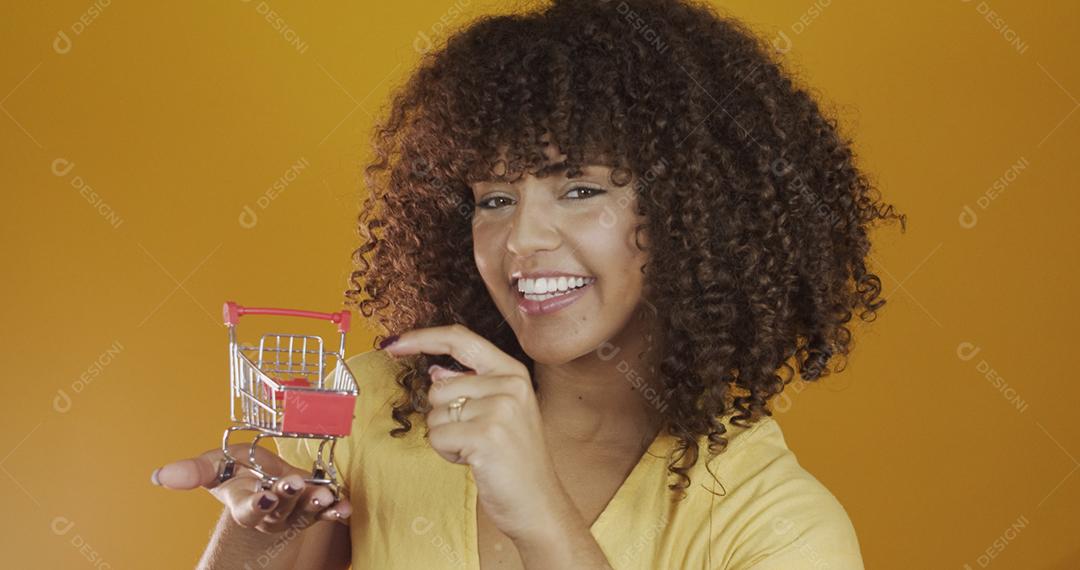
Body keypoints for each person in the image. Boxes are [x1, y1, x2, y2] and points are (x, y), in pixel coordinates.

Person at [150, 0, 906, 568]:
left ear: (698, 210)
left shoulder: (771, 522)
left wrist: (539, 513)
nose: (520, 240)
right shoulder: (368, 409)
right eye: (495, 199)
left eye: (580, 190)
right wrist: (254, 535)